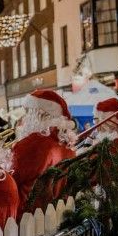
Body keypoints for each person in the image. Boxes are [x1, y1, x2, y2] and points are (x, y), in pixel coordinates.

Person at [11, 89, 77, 217]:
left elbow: (12, 180)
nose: (25, 118)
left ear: (40, 115)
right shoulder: (67, 144)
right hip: (60, 213)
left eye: (29, 113)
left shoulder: (31, 144)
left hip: (30, 215)